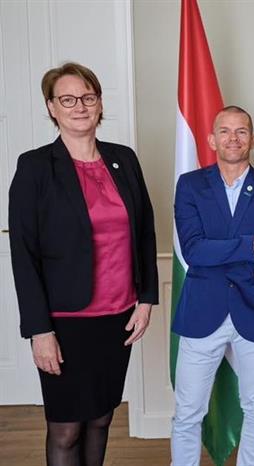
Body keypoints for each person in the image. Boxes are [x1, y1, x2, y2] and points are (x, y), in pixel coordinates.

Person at [8, 62, 158, 466]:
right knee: (66, 428)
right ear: (52, 107)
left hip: (118, 317)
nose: (79, 106)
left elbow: (145, 232)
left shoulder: (124, 159)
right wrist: (39, 330)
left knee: (101, 417)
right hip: (65, 321)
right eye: (68, 99)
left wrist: (146, 299)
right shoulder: (35, 167)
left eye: (88, 97)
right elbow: (23, 253)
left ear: (100, 103)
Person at [171, 106, 254, 466]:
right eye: (225, 131)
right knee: (188, 410)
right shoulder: (190, 186)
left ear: (253, 139)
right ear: (211, 139)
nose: (233, 139)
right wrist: (251, 243)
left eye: (241, 131)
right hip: (202, 310)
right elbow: (194, 250)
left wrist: (253, 260)